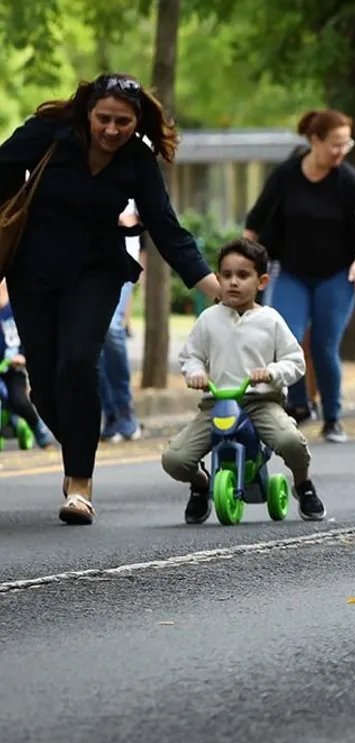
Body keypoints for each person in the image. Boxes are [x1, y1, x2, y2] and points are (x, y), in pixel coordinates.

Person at [0, 73, 221, 525]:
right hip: (33, 272)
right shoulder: (49, 133)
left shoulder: (137, 161)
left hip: (95, 272)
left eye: (123, 121)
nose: (112, 130)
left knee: (78, 365)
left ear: (137, 121)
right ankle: (81, 448)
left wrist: (217, 290)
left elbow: (165, 228)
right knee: (44, 385)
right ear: (88, 111)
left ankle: (79, 484)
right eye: (104, 118)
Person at [243, 108, 355, 444]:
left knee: (324, 345)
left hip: (337, 275)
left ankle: (333, 417)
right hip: (291, 271)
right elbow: (255, 220)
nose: (341, 151)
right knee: (287, 340)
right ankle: (299, 405)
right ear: (315, 141)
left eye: (346, 144)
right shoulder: (287, 175)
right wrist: (243, 265)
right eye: (335, 144)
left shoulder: (347, 179)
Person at [160, 239, 324, 523]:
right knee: (175, 459)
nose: (233, 282)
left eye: (243, 275)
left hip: (259, 402)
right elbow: (191, 356)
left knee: (290, 441)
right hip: (217, 403)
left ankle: (303, 484)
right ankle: (200, 485)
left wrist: (271, 372)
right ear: (218, 278)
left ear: (261, 281)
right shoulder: (209, 319)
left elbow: (295, 361)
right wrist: (196, 373)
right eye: (226, 275)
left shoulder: (270, 320)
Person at [100, 199, 143, 442]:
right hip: (87, 264)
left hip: (122, 262)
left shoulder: (129, 170)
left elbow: (132, 221)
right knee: (93, 338)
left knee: (111, 328)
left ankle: (125, 411)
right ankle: (112, 414)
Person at [0, 280, 53, 447]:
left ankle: (39, 430)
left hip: (13, 368)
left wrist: (23, 356)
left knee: (18, 400)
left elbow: (31, 336)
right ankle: (12, 425)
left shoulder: (17, 306)